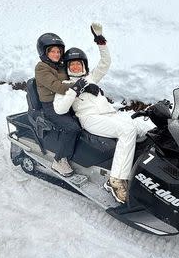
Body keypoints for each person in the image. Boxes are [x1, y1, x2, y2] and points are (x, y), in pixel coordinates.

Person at [53, 23, 150, 203]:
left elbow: (105, 63)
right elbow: (60, 108)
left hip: (111, 115)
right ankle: (116, 180)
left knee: (144, 128)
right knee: (127, 131)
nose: (75, 67)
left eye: (78, 64)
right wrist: (75, 89)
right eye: (72, 65)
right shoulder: (64, 86)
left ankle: (148, 173)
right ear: (67, 68)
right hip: (90, 120)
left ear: (83, 65)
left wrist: (100, 41)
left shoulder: (91, 77)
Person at [35, 33, 86, 177]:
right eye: (52, 51)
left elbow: (76, 74)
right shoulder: (41, 68)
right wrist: (78, 86)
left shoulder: (60, 66)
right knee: (72, 128)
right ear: (44, 52)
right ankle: (58, 160)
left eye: (59, 51)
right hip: (51, 106)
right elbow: (56, 85)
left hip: (66, 101)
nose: (56, 54)